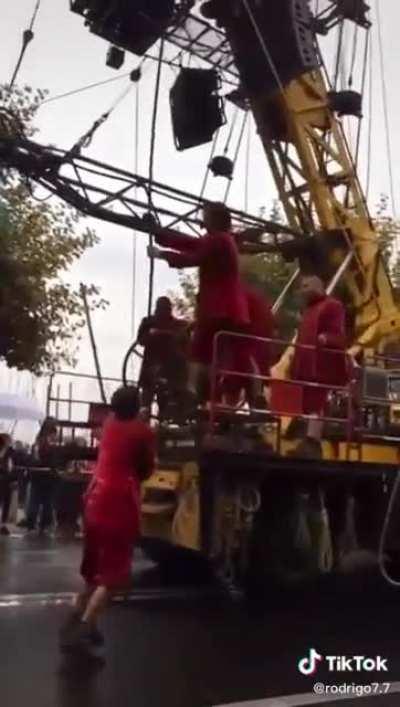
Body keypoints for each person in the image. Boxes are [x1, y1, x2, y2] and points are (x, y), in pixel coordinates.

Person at [60, 385, 155, 653]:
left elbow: (126, 428)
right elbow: (145, 468)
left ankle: (76, 616)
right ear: (136, 408)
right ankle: (86, 626)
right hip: (119, 504)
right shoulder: (143, 433)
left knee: (92, 572)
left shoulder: (109, 424)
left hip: (94, 499)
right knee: (114, 576)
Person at [149, 202, 250, 401]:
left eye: (205, 216)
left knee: (199, 351)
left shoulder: (218, 241)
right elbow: (191, 244)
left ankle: (193, 391)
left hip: (218, 309)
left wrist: (161, 253)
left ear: (213, 218)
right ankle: (210, 392)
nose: (202, 221)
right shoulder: (222, 240)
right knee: (221, 354)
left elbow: (193, 256)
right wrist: (161, 235)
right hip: (229, 309)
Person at [289, 275, 348, 457]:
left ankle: (313, 441)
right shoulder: (309, 310)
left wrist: (326, 339)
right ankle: (308, 439)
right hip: (307, 362)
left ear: (318, 286)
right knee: (307, 402)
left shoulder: (332, 305)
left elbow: (339, 335)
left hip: (322, 363)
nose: (303, 290)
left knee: (317, 401)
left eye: (306, 286)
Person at [137, 296, 189, 412]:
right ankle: (152, 420)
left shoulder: (177, 325)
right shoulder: (148, 323)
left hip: (167, 369)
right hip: (152, 368)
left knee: (162, 401)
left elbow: (185, 343)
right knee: (148, 399)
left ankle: (158, 421)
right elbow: (141, 340)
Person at [26, 420, 59, 533]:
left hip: (37, 476)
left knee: (35, 501)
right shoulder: (49, 444)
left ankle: (31, 525)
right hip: (48, 476)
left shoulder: (37, 442)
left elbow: (33, 460)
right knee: (47, 502)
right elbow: (52, 461)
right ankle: (43, 525)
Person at [0, 434, 14, 536]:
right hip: (3, 479)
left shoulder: (10, 452)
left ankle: (3, 524)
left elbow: (11, 467)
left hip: (6, 481)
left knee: (6, 503)